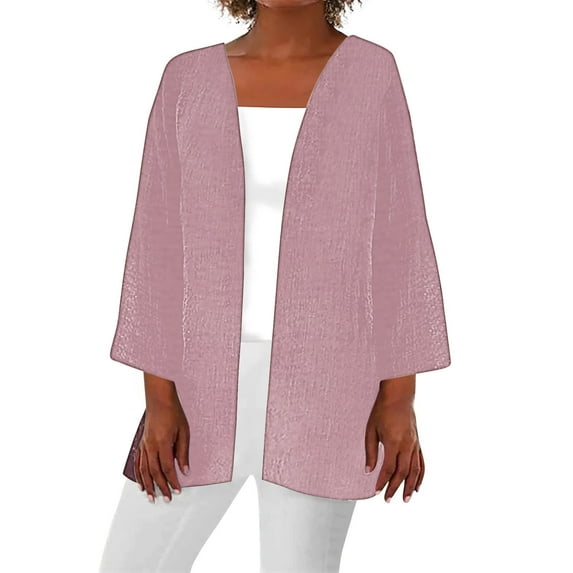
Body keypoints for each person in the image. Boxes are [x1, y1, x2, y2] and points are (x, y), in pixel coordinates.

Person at [100, 1, 451, 571]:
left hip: (330, 383)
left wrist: (398, 398)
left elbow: (399, 238)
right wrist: (159, 399)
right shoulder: (186, 78)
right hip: (198, 384)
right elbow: (156, 243)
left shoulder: (372, 73)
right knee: (132, 563)